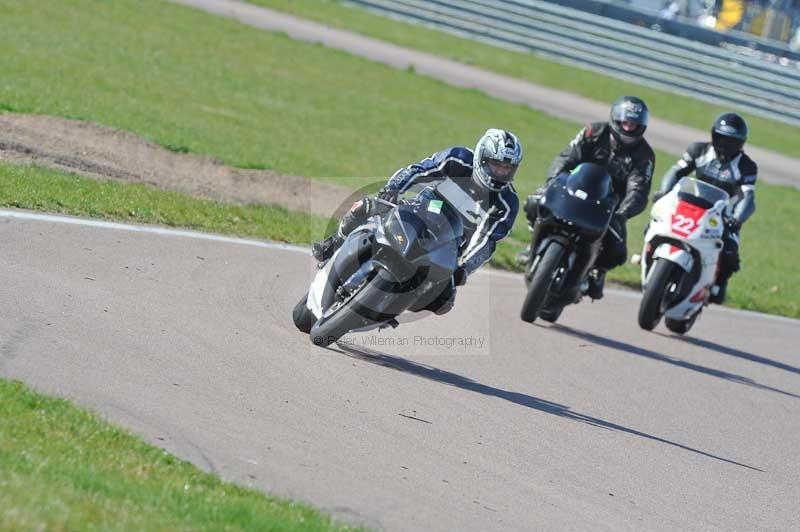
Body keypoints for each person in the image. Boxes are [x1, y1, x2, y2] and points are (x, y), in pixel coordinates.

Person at [311, 128, 522, 315]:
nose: (501, 172)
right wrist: (393, 189)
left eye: (507, 168)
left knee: (444, 302)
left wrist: (464, 268)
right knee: (365, 206)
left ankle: (389, 309)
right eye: (496, 165)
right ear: (482, 158)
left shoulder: (507, 203)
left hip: (451, 244)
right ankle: (334, 244)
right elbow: (420, 170)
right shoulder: (458, 159)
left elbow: (487, 242)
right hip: (423, 211)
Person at [519, 96, 656, 300]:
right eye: (625, 122)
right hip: (571, 189)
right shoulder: (593, 131)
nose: (628, 128)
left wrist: (622, 213)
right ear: (615, 120)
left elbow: (639, 190)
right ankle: (533, 243)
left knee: (618, 247)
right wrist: (553, 180)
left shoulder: (644, 155)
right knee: (535, 201)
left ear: (641, 126)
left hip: (607, 205)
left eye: (634, 124)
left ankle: (597, 271)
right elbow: (567, 157)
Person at [654, 112, 756, 304]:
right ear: (713, 136)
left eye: (731, 142)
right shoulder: (698, 150)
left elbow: (748, 197)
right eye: (721, 138)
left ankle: (719, 283)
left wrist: (737, 219)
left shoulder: (747, 166)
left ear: (741, 143)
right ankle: (653, 256)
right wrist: (664, 191)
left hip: (722, 216)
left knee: (730, 250)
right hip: (689, 205)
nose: (725, 145)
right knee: (657, 224)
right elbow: (675, 172)